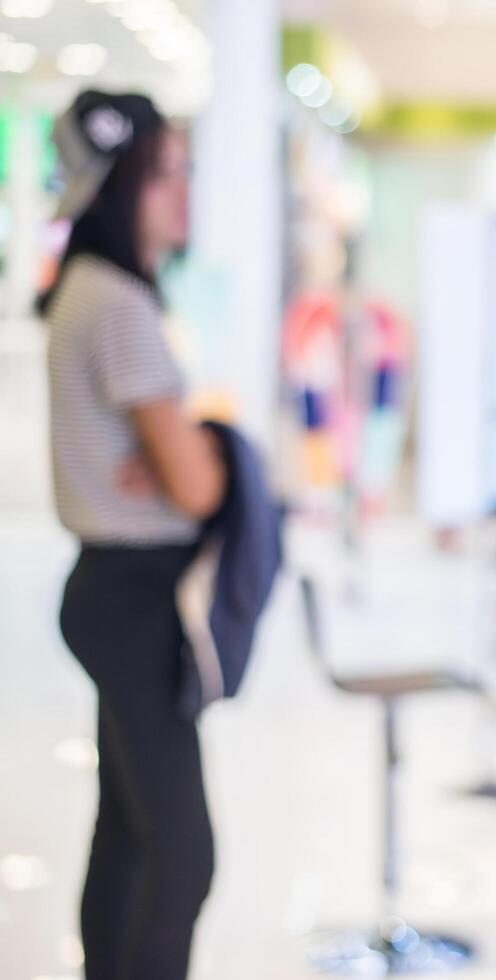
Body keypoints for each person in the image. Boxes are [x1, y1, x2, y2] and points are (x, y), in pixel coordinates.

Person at [41, 90, 224, 980]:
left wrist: (186, 446)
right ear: (120, 184)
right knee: (182, 858)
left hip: (111, 591)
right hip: (135, 599)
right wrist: (219, 447)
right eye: (165, 174)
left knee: (127, 834)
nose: (183, 192)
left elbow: (176, 465)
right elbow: (194, 484)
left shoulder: (90, 288)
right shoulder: (116, 303)